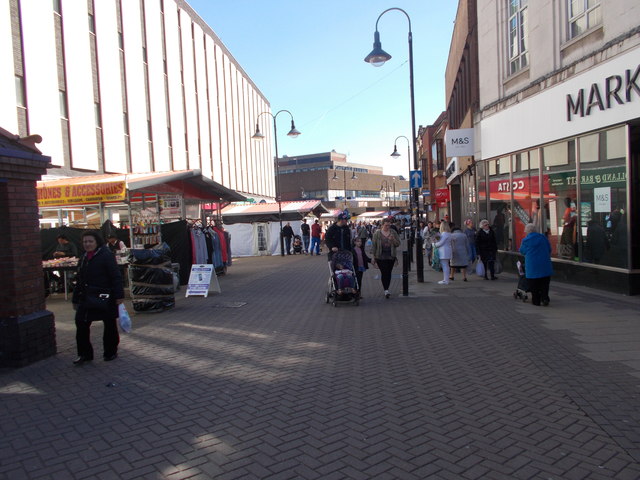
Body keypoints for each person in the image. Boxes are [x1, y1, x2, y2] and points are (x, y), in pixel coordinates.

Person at [71, 230, 125, 365]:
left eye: (90, 241)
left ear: (97, 242)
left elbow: (115, 276)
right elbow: (80, 279)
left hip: (104, 295)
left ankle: (110, 352)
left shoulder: (106, 255)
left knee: (109, 323)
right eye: (85, 242)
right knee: (81, 323)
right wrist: (75, 298)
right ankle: (84, 354)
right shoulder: (83, 257)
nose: (87, 244)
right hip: (86, 296)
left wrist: (119, 295)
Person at [519, 223, 553, 306]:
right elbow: (549, 249)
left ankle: (536, 300)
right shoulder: (543, 238)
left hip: (532, 265)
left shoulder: (526, 240)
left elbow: (522, 251)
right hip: (544, 264)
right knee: (545, 283)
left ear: (527, 231)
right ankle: (544, 298)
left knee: (533, 284)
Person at [371, 217, 401, 299]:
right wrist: (373, 257)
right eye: (386, 225)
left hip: (391, 256)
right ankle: (386, 290)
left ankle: (386, 288)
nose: (388, 227)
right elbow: (374, 246)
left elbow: (398, 244)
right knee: (384, 272)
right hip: (380, 256)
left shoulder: (393, 232)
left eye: (389, 225)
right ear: (382, 225)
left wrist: (393, 240)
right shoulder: (377, 233)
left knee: (389, 273)